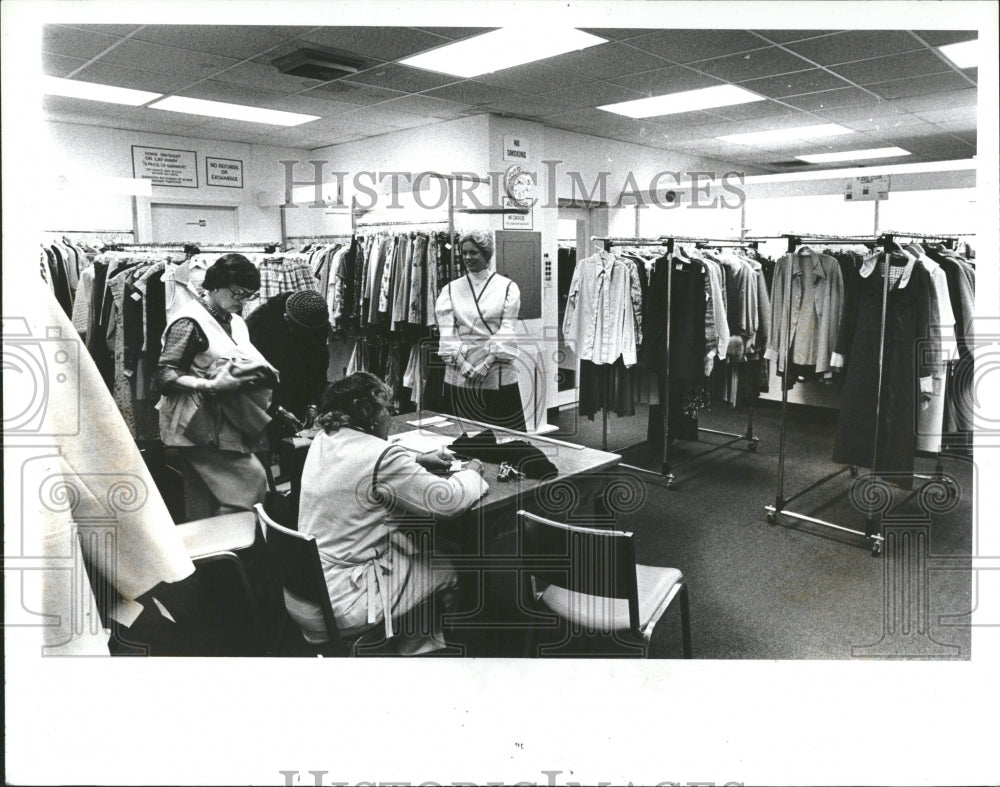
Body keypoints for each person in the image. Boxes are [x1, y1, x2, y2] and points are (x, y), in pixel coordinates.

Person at [296, 371, 488, 655]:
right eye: (387, 407)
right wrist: (472, 473)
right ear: (370, 413)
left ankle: (411, 641)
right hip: (344, 602)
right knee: (444, 568)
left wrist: (415, 459)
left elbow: (360, 463)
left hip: (307, 592)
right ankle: (425, 650)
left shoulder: (326, 437)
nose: (390, 414)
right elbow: (448, 501)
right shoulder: (380, 458)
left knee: (408, 548)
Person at [155, 254, 277, 515]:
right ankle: (238, 544)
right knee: (250, 480)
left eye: (249, 295)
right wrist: (209, 385)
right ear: (216, 286)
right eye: (238, 294)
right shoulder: (189, 322)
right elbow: (164, 376)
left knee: (204, 497)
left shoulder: (235, 321)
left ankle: (218, 550)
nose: (243, 301)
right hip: (194, 423)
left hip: (223, 420)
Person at [435, 230, 525, 430]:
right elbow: (447, 332)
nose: (467, 258)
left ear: (486, 254)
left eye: (473, 253)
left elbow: (507, 329)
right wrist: (462, 364)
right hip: (461, 370)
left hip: (496, 369)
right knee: (462, 436)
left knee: (501, 437)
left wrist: (486, 364)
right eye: (464, 253)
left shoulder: (508, 287)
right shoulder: (450, 290)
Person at [245, 289, 330, 429]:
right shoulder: (258, 324)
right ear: (286, 318)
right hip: (262, 397)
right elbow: (249, 378)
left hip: (297, 390)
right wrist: (276, 409)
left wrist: (313, 404)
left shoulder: (316, 322)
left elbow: (319, 366)